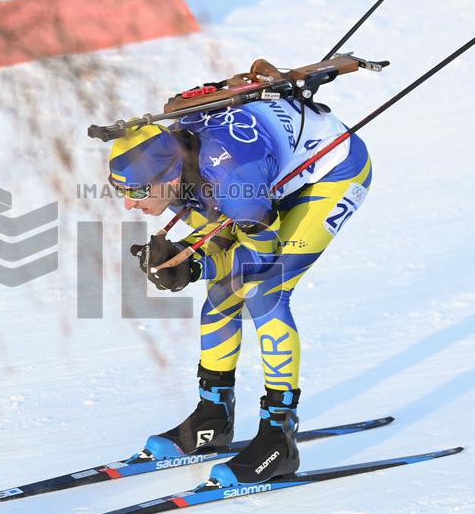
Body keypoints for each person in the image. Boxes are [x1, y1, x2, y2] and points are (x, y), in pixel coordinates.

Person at [107, 95, 372, 486]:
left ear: (170, 177)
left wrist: (195, 264)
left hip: (334, 172)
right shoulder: (184, 154)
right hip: (264, 171)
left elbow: (257, 257)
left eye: (138, 191)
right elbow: (221, 232)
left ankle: (278, 438)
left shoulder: (234, 183)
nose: (130, 203)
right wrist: (183, 254)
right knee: (221, 296)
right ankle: (213, 416)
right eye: (120, 191)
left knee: (266, 292)